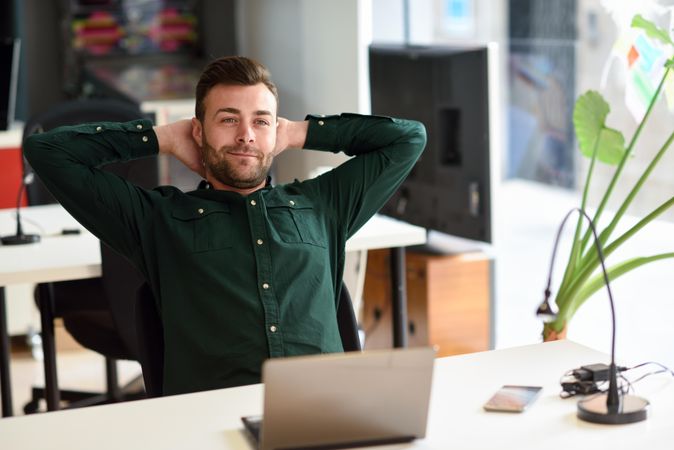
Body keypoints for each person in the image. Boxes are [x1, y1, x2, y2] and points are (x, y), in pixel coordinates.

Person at [24, 56, 426, 395]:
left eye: (260, 122)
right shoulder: (156, 218)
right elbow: (48, 151)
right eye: (228, 120)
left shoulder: (322, 203)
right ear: (199, 131)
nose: (246, 135)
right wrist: (159, 137)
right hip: (215, 419)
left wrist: (297, 131)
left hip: (324, 407)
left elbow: (409, 138)